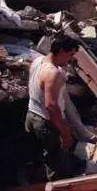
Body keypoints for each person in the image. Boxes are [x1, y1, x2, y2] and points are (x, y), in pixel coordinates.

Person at [25, 36, 85, 181]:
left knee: (37, 158)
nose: (70, 59)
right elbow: (51, 106)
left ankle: (36, 183)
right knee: (57, 166)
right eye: (70, 55)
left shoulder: (37, 61)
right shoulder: (53, 73)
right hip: (46, 121)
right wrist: (65, 133)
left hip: (31, 116)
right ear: (61, 51)